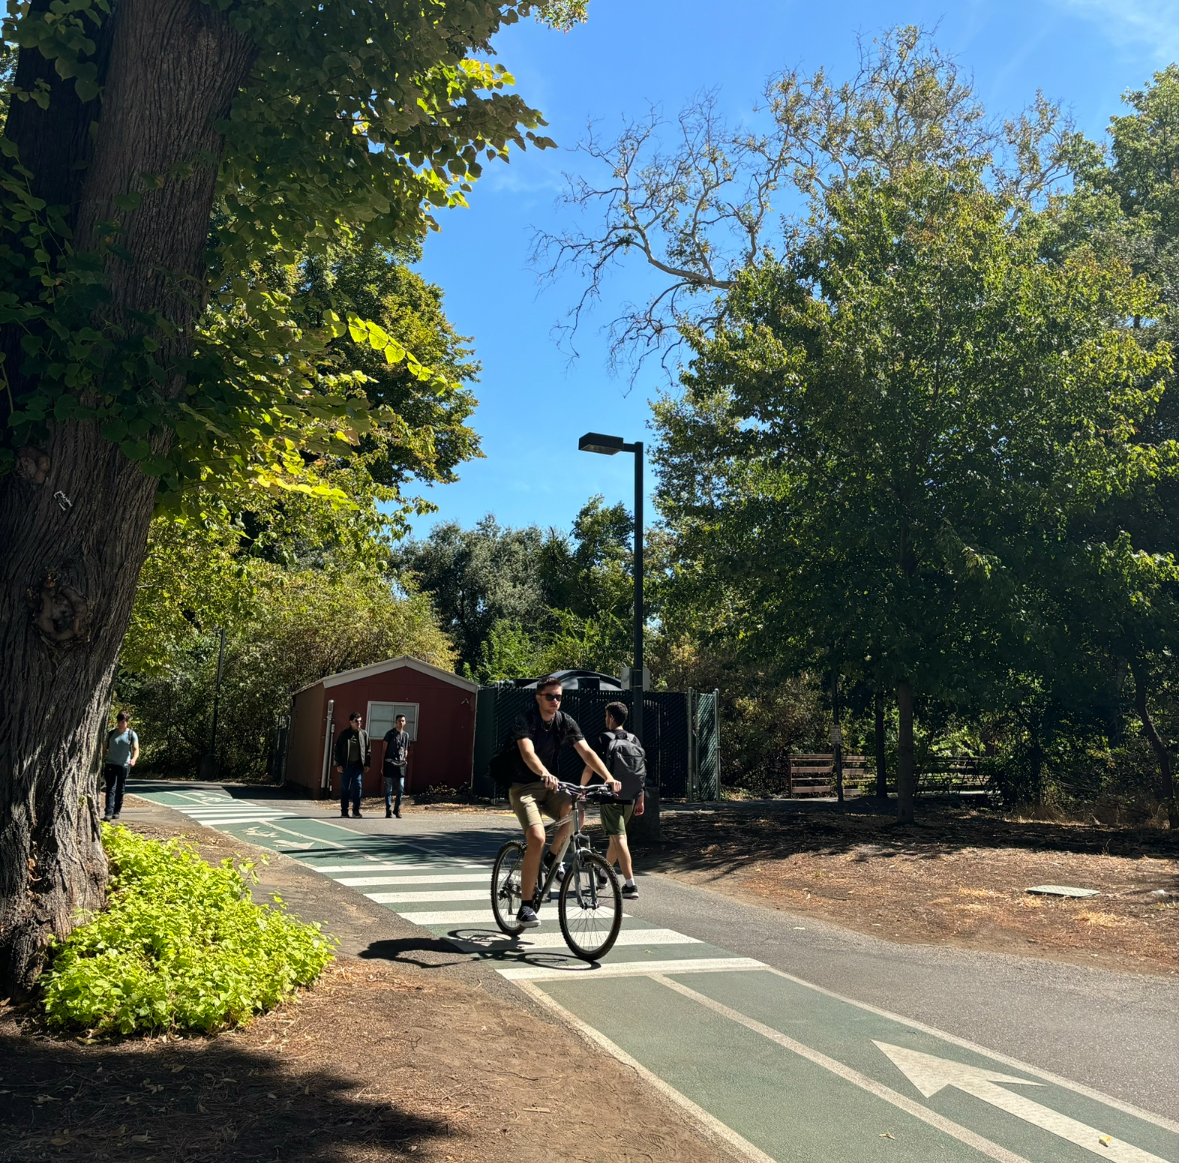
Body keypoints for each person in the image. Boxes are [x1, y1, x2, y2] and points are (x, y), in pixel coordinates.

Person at [509, 675, 620, 928]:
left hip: (552, 787)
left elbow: (587, 752)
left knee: (576, 812)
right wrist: (544, 773)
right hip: (524, 787)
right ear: (539, 698)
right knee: (536, 838)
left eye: (559, 696)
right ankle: (526, 906)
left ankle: (551, 859)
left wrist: (609, 777)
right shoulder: (524, 720)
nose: (555, 701)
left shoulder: (565, 721)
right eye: (550, 696)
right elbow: (528, 753)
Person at [581, 701, 645, 899]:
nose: (605, 719)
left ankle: (630, 884)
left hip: (610, 796)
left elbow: (591, 766)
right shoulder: (634, 740)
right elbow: (640, 772)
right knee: (615, 839)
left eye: (606, 715)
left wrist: (582, 789)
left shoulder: (604, 739)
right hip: (631, 797)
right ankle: (602, 873)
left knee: (619, 838)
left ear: (611, 717)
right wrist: (640, 798)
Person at [101, 711, 139, 821]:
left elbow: (136, 749)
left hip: (124, 765)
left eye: (123, 721)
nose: (120, 724)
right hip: (110, 764)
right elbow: (104, 748)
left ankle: (116, 811)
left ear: (127, 722)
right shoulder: (111, 733)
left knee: (120, 789)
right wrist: (102, 760)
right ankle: (108, 812)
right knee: (110, 789)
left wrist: (133, 760)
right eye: (119, 721)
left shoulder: (131, 734)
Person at [334, 711, 371, 818]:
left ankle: (356, 811)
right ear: (351, 722)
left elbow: (368, 750)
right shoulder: (344, 734)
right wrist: (338, 764)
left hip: (358, 766)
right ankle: (344, 811)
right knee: (346, 788)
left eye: (360, 721)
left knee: (358, 787)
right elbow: (337, 750)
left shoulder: (364, 734)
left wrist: (367, 763)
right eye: (356, 721)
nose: (359, 723)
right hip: (346, 766)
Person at [382, 713, 410, 819]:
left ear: (405, 722)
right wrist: (382, 765)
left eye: (403, 721)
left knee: (401, 788)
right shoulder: (390, 734)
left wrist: (404, 757)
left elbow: (406, 749)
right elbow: (383, 750)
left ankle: (397, 809)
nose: (401, 723)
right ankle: (388, 809)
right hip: (390, 763)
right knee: (388, 789)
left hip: (400, 765)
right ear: (396, 722)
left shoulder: (406, 735)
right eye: (399, 721)